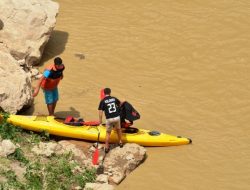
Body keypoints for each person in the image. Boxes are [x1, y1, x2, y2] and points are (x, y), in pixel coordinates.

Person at [98, 88, 123, 153]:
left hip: (109, 119)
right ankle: (120, 142)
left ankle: (106, 147)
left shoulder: (102, 101)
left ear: (104, 93)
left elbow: (100, 112)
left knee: (108, 133)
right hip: (117, 117)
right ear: (110, 92)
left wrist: (100, 121)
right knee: (118, 129)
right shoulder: (114, 98)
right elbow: (120, 103)